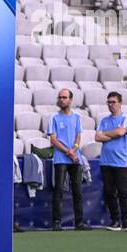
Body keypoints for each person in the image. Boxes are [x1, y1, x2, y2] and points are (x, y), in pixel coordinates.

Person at [47, 88, 88, 230]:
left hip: (75, 158)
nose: (62, 100)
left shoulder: (77, 117)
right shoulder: (54, 118)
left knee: (77, 190)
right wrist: (68, 152)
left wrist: (74, 149)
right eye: (60, 97)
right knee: (58, 190)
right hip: (61, 159)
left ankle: (79, 222)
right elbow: (53, 139)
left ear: (70, 100)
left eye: (64, 97)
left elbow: (78, 136)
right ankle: (57, 222)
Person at [95, 91, 127, 231]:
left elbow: (121, 132)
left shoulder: (126, 118)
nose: (111, 105)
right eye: (109, 102)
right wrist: (113, 133)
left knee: (123, 192)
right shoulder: (104, 120)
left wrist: (106, 134)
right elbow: (97, 138)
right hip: (106, 161)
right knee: (110, 192)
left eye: (113, 102)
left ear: (120, 103)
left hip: (121, 162)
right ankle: (115, 221)